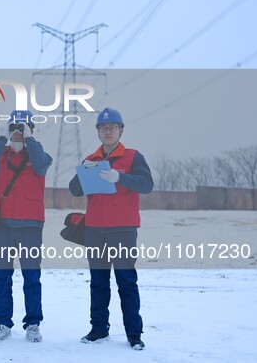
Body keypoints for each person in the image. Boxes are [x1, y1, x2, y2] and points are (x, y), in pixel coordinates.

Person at [68, 107, 153, 350]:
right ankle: (98, 329)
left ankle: (134, 334)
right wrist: (82, 170)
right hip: (95, 229)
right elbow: (74, 190)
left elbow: (147, 184)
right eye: (103, 128)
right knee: (98, 282)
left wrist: (120, 178)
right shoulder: (91, 160)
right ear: (98, 132)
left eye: (112, 127)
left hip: (123, 230)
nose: (108, 131)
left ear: (121, 130)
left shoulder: (134, 157)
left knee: (126, 281)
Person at [0, 110, 53, 343]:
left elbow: (41, 166)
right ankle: (2, 323)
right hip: (3, 226)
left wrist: (29, 139)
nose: (19, 132)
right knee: (3, 276)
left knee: (32, 276)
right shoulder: (1, 155)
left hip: (31, 226)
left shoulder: (39, 154)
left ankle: (33, 323)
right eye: (15, 128)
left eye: (24, 128)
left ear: (32, 129)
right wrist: (2, 137)